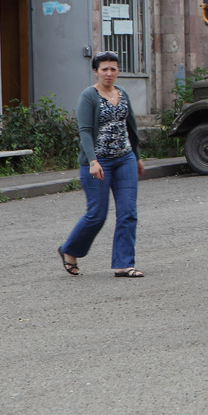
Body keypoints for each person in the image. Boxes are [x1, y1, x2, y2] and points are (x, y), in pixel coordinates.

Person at [59, 51, 145, 276]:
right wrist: (93, 161)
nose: (109, 73)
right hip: (98, 162)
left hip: (124, 158)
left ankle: (123, 264)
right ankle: (69, 250)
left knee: (128, 212)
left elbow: (131, 128)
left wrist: (136, 156)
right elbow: (85, 132)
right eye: (104, 69)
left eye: (113, 69)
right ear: (96, 71)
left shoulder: (122, 93)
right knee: (97, 214)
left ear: (118, 71)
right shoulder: (89, 96)